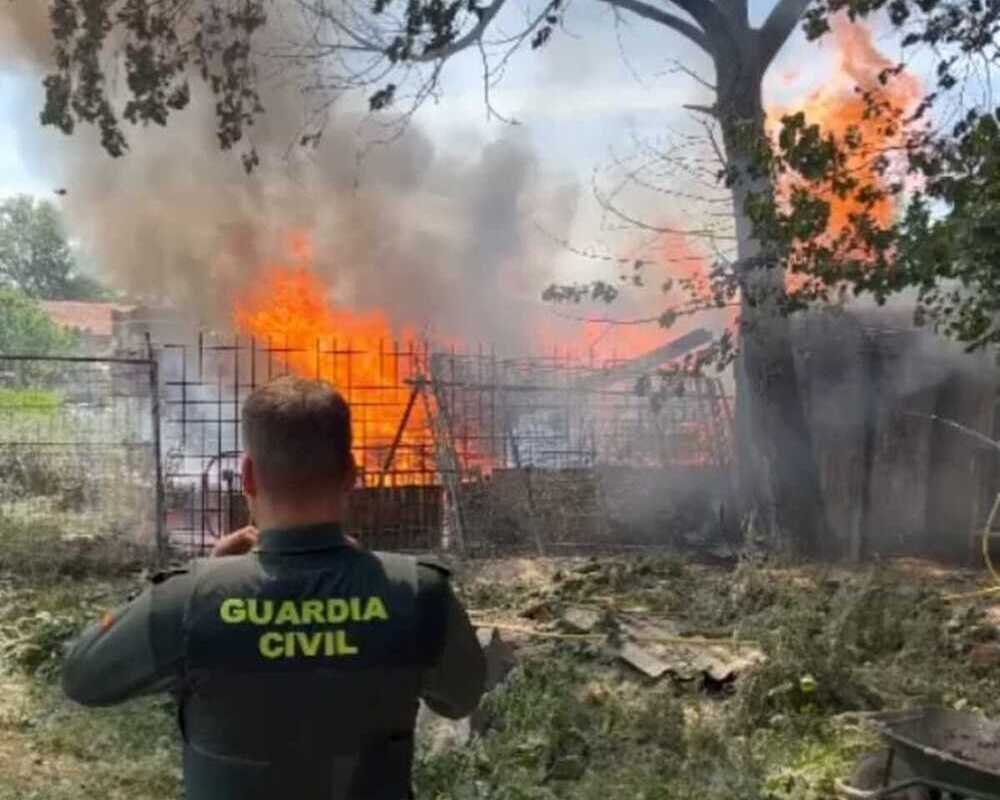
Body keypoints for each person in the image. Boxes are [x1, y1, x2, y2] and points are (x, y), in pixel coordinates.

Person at [61, 375, 486, 800]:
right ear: (352, 474)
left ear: (247, 475)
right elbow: (459, 699)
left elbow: (83, 676)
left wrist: (208, 578)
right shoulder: (419, 594)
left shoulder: (189, 601)